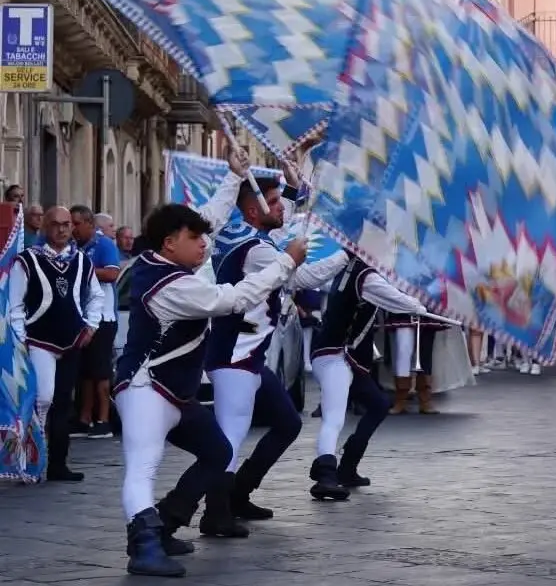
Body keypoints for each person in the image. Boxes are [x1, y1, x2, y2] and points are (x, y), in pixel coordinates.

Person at [114, 203, 308, 577]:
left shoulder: (166, 264)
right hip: (145, 389)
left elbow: (212, 219)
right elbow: (232, 300)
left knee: (218, 451)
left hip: (173, 391)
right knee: (142, 468)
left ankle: (167, 521)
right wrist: (286, 262)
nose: (205, 243)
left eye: (203, 237)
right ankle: (144, 546)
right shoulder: (171, 285)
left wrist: (234, 179)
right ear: (170, 243)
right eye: (195, 238)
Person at [203, 164, 349, 534]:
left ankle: (239, 493)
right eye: (272, 202)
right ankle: (215, 513)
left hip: (247, 357)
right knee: (231, 436)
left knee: (287, 422)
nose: (281, 208)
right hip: (233, 355)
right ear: (253, 211)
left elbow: (281, 227)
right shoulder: (255, 251)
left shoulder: (253, 239)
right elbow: (301, 276)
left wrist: (292, 190)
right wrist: (347, 254)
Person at [307, 255, 428, 500]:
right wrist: (419, 307)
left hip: (344, 357)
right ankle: (326, 476)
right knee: (334, 417)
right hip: (335, 356)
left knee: (378, 404)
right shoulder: (365, 275)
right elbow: (397, 300)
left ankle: (347, 467)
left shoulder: (349, 268)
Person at [8, 206, 105, 481]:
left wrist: (92, 325)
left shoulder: (82, 260)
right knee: (42, 399)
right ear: (44, 227)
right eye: (55, 224)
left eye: (66, 224)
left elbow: (95, 295)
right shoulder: (26, 260)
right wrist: (21, 339)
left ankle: (58, 464)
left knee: (64, 403)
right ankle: (31, 461)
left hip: (72, 340)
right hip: (39, 340)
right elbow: (15, 304)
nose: (61, 229)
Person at [69, 205, 122, 439]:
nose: (72, 229)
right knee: (86, 372)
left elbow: (112, 273)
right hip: (82, 315)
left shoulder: (103, 245)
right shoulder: (74, 247)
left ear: (90, 224)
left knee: (101, 372)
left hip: (102, 317)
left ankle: (103, 420)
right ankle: (84, 419)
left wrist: (81, 269)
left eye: (76, 224)